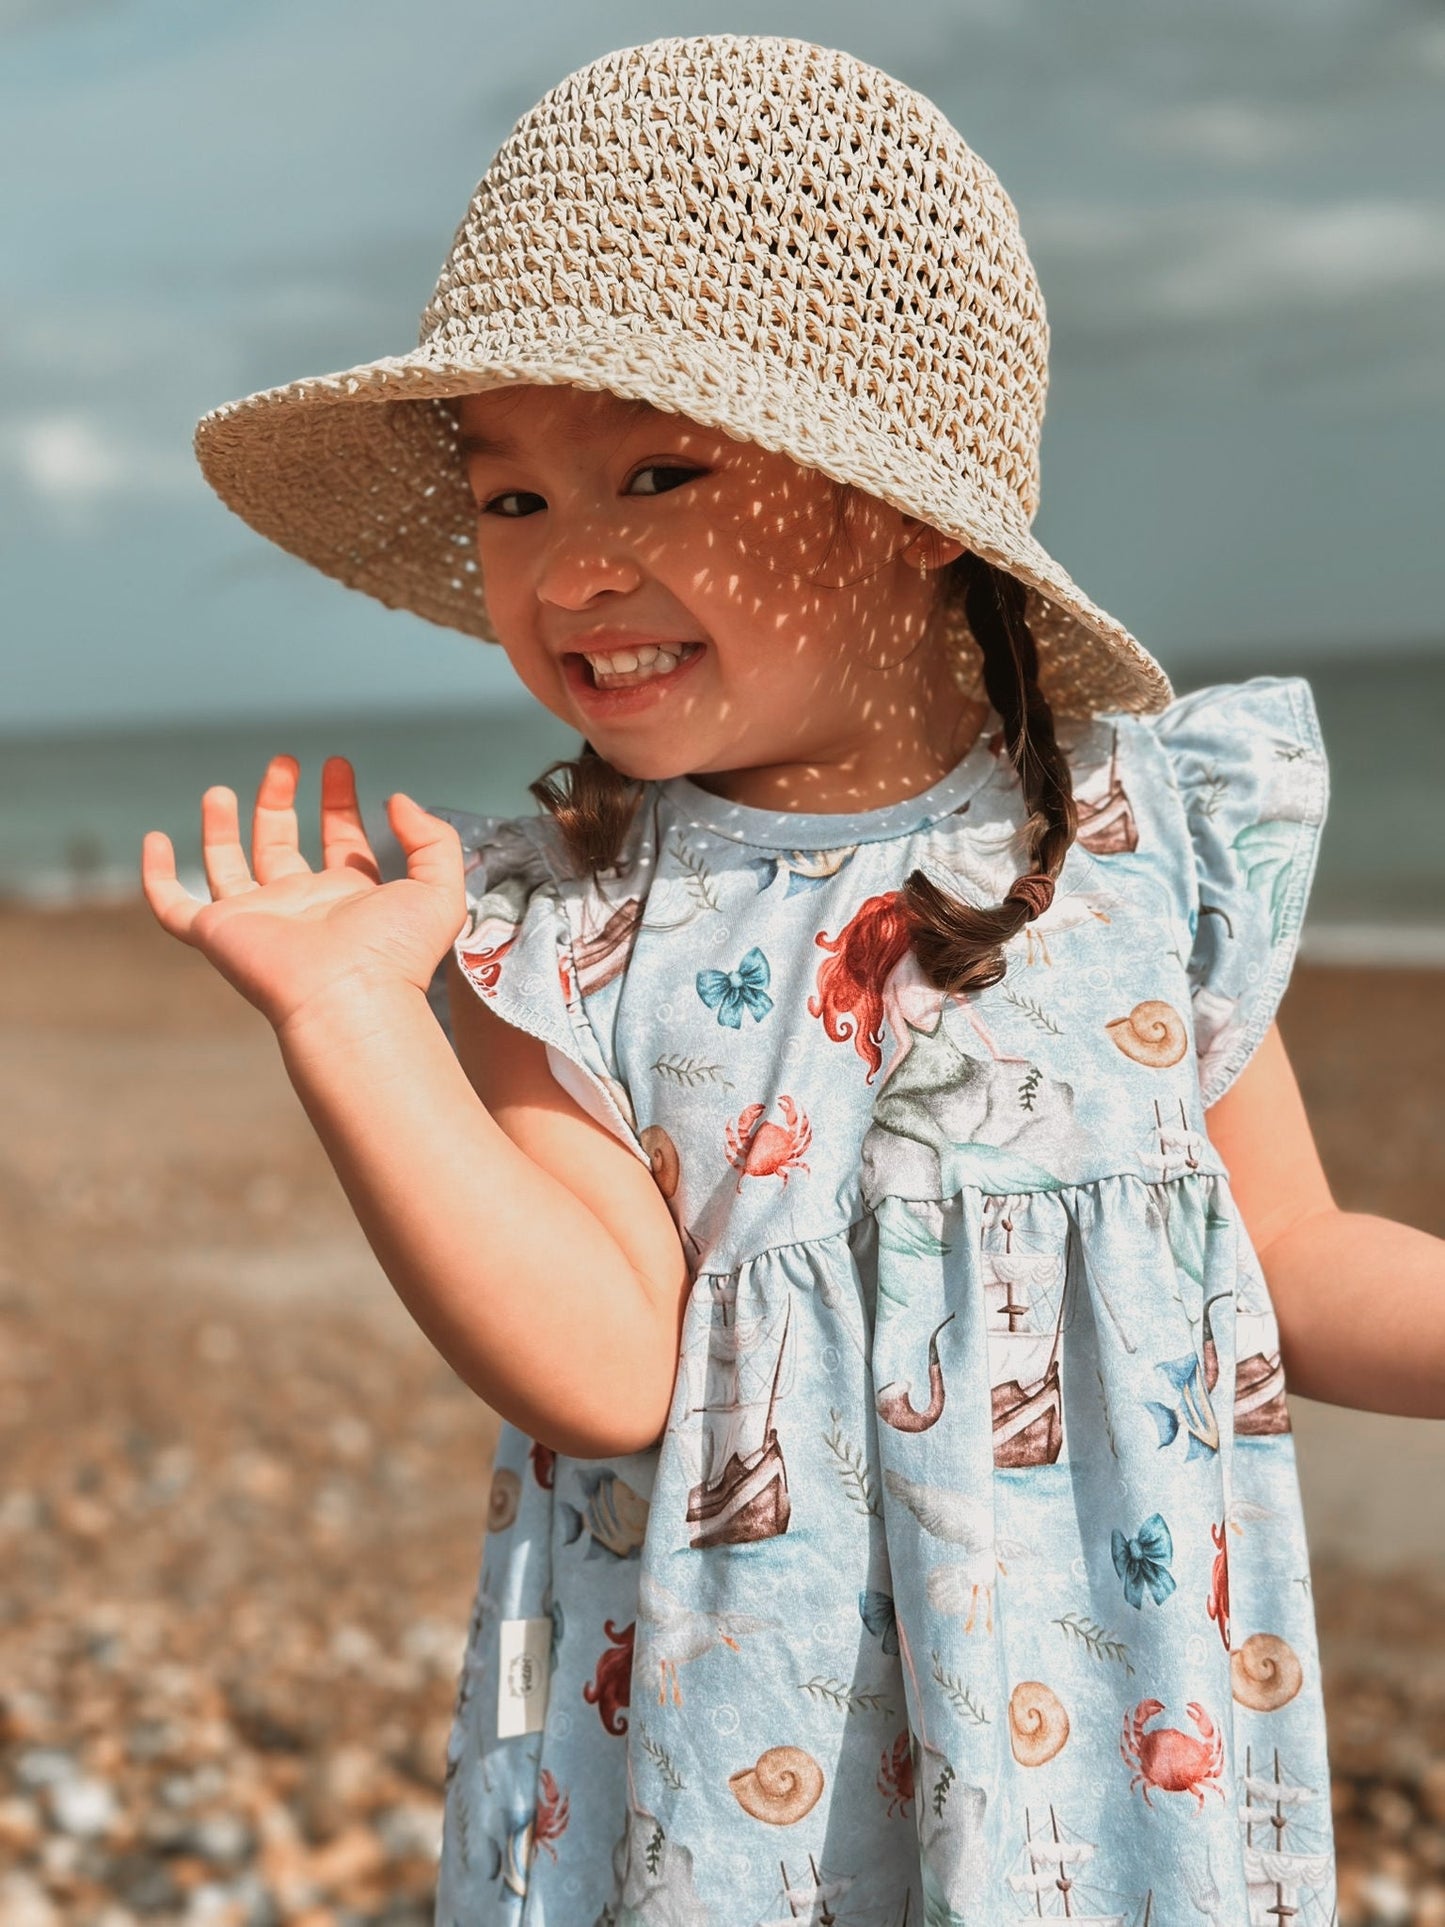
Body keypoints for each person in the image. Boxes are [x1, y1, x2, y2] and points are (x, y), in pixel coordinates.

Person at [143, 34, 1443, 1927]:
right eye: (510, 502)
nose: (571, 569)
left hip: (1116, 1761)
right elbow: (600, 1366)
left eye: (656, 473)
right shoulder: (561, 927)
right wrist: (353, 1022)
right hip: (735, 1812)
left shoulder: (1143, 841)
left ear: (908, 499)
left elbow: (1298, 1265)